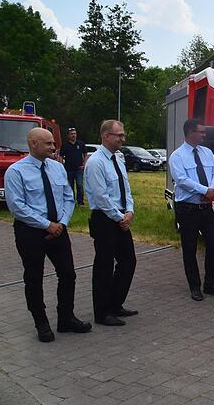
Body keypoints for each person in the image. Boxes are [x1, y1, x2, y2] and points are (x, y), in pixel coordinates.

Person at [4, 128, 92, 342]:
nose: (54, 147)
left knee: (68, 274)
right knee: (34, 278)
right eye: (48, 144)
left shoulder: (57, 168)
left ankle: (66, 318)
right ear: (33, 144)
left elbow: (68, 197)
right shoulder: (16, 172)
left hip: (59, 230)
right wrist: (46, 225)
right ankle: (41, 322)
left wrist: (61, 223)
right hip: (31, 233)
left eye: (53, 143)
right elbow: (17, 207)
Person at [84, 120, 138, 326]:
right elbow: (101, 197)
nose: (123, 139)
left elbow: (126, 188)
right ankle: (102, 312)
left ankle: (116, 304)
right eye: (119, 135)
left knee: (128, 261)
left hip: (121, 218)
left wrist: (129, 212)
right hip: (105, 220)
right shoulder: (96, 162)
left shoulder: (119, 158)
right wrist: (119, 218)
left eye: (123, 135)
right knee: (104, 266)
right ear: (106, 136)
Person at [169, 118, 214, 301]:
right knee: (190, 248)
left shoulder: (207, 152)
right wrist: (204, 190)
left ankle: (210, 283)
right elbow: (181, 180)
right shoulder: (177, 156)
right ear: (190, 133)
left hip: (206, 207)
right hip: (188, 210)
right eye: (201, 132)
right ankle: (194, 286)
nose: (204, 135)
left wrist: (212, 190)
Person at [59, 127, 88, 206]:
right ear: (68, 135)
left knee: (79, 185)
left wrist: (84, 165)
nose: (73, 135)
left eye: (75, 133)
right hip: (68, 169)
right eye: (72, 134)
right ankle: (72, 201)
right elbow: (61, 156)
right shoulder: (65, 146)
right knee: (70, 186)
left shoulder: (81, 144)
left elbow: (85, 154)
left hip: (79, 169)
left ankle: (80, 202)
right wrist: (61, 166)